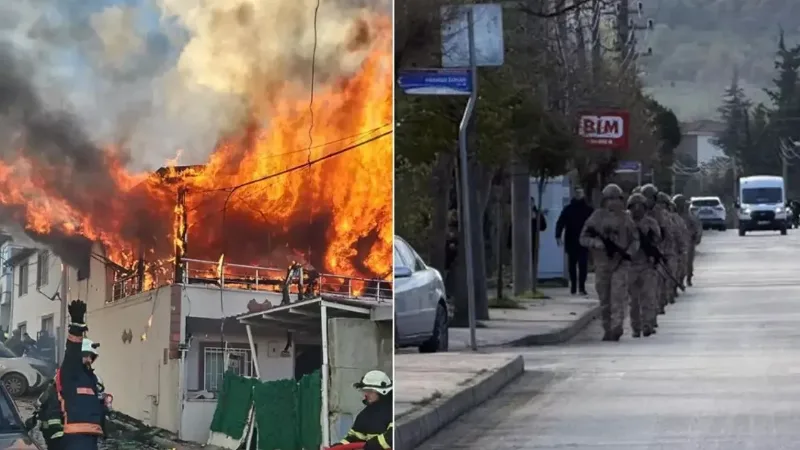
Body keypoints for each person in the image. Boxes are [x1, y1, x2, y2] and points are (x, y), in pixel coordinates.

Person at [580, 183, 639, 341]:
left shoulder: (626, 218)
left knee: (618, 297)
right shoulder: (596, 217)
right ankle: (607, 328)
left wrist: (628, 253)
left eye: (616, 199)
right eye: (610, 199)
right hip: (602, 265)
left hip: (620, 264)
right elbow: (583, 238)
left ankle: (617, 326)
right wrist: (596, 243)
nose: (613, 202)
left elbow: (635, 240)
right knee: (605, 299)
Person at [57, 300, 105, 450]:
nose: (90, 359)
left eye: (92, 357)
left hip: (91, 436)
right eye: (87, 355)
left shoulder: (91, 378)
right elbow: (72, 352)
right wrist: (76, 327)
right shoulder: (72, 371)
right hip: (75, 438)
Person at [627, 193, 661, 338]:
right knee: (633, 300)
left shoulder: (650, 223)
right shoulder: (625, 222)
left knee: (648, 297)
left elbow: (658, 239)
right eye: (634, 206)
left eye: (640, 206)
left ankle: (647, 324)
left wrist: (652, 251)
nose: (637, 209)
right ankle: (636, 327)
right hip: (630, 265)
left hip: (647, 264)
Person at [333, 370, 393, 450]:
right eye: (365, 391)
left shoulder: (394, 411)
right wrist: (340, 446)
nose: (366, 394)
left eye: (369, 391)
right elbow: (354, 438)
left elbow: (394, 435)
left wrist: (377, 443)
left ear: (382, 391)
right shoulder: (365, 415)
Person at [556, 188, 594, 295]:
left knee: (583, 265)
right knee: (572, 266)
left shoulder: (588, 210)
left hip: (584, 241)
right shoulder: (569, 209)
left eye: (580, 192)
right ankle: (573, 286)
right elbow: (561, 222)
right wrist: (558, 235)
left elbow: (595, 224)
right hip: (571, 240)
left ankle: (581, 287)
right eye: (576, 192)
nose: (578, 194)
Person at [26, 379, 63, 450]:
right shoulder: (71, 391)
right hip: (64, 424)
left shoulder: (50, 390)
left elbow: (38, 403)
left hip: (48, 423)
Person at [673, 194, 701, 286]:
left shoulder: (689, 216)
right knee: (678, 264)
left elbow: (696, 228)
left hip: (688, 242)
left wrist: (696, 237)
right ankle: (678, 280)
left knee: (688, 263)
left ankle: (688, 277)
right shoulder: (673, 217)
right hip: (676, 244)